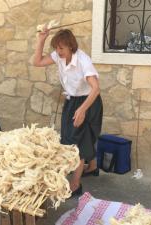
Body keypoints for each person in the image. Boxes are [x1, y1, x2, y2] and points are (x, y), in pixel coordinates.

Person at [33, 28, 103, 196]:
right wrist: (42, 39)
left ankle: (76, 184)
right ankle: (92, 167)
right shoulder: (59, 56)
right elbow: (37, 62)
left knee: (76, 144)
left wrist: (82, 109)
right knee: (76, 137)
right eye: (56, 48)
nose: (58, 52)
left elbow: (96, 89)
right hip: (72, 101)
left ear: (71, 46)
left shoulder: (83, 61)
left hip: (88, 102)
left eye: (61, 48)